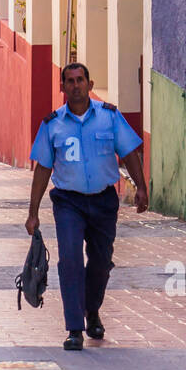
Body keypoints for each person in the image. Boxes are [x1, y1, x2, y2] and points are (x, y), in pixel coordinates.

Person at [25, 63, 148, 351]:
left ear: (89, 84)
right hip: (69, 202)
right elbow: (43, 168)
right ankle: (74, 328)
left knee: (101, 262)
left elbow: (129, 151)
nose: (76, 85)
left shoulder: (109, 116)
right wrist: (32, 212)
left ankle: (91, 310)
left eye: (81, 80)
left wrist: (142, 187)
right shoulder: (52, 124)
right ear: (62, 86)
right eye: (70, 81)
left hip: (104, 200)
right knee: (70, 260)